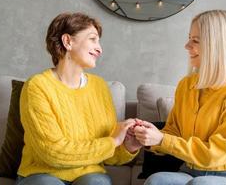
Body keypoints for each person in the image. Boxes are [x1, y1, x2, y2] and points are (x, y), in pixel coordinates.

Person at [133, 10, 226, 185]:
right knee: (156, 181)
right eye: (189, 38)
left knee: (201, 184)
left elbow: (217, 153)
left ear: (217, 46)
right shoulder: (186, 85)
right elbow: (174, 131)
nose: (187, 46)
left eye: (195, 40)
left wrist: (163, 140)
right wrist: (150, 135)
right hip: (191, 170)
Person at [16, 12, 141, 185]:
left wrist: (129, 145)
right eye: (92, 39)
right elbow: (52, 153)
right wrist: (113, 141)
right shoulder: (37, 86)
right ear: (68, 41)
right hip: (42, 174)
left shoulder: (100, 87)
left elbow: (109, 154)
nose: (99, 48)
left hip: (90, 175)